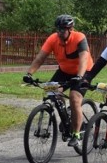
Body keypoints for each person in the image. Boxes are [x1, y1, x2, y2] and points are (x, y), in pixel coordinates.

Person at [23, 14, 94, 147]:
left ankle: (76, 134)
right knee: (52, 92)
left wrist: (79, 77)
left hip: (84, 71)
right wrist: (29, 74)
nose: (59, 33)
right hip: (64, 71)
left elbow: (84, 58)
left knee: (74, 97)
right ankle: (66, 114)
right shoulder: (53, 39)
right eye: (58, 29)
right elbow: (40, 58)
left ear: (70, 29)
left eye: (62, 30)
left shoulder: (79, 37)